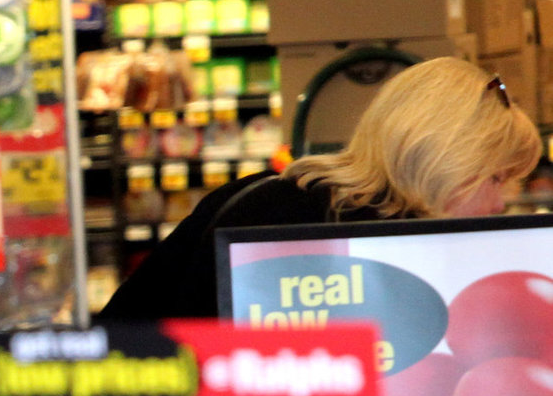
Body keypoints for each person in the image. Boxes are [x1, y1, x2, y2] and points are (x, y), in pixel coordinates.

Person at [98, 57, 542, 321]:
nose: (499, 202)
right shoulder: (338, 233)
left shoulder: (270, 194)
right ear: (444, 160)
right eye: (495, 178)